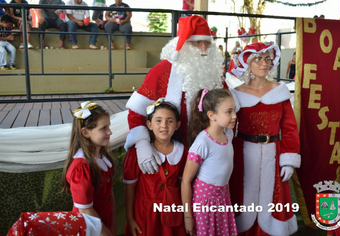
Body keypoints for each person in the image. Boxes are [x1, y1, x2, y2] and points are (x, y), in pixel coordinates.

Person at [124, 15, 224, 175]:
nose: (204, 48)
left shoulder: (214, 74)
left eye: (207, 42)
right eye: (197, 42)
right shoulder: (162, 70)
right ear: (183, 43)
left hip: (209, 155)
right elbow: (136, 112)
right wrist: (142, 143)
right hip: (170, 156)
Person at [229, 42, 301, 235]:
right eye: (259, 58)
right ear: (247, 62)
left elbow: (289, 128)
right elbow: (228, 128)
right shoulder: (236, 94)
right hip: (243, 155)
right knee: (242, 197)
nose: (264, 63)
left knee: (274, 199)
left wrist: (288, 160)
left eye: (268, 58)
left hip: (275, 154)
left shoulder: (280, 90)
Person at [123, 99, 187, 236]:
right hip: (144, 214)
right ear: (149, 125)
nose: (164, 125)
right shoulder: (136, 153)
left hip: (173, 213)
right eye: (158, 120)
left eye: (170, 121)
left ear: (177, 125)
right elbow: (130, 188)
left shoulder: (183, 152)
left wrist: (187, 215)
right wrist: (130, 218)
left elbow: (184, 185)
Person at [181, 89, 238, 236]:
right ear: (211, 115)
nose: (234, 116)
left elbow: (225, 177)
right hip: (205, 204)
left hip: (222, 200)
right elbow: (186, 181)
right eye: (229, 112)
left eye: (234, 111)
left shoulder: (227, 136)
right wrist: (187, 216)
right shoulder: (202, 142)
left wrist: (228, 202)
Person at [62, 101, 116, 236]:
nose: (110, 131)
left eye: (108, 126)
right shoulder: (81, 168)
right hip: (89, 228)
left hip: (103, 225)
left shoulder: (104, 158)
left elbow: (110, 194)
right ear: (86, 132)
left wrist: (113, 226)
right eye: (103, 128)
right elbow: (85, 209)